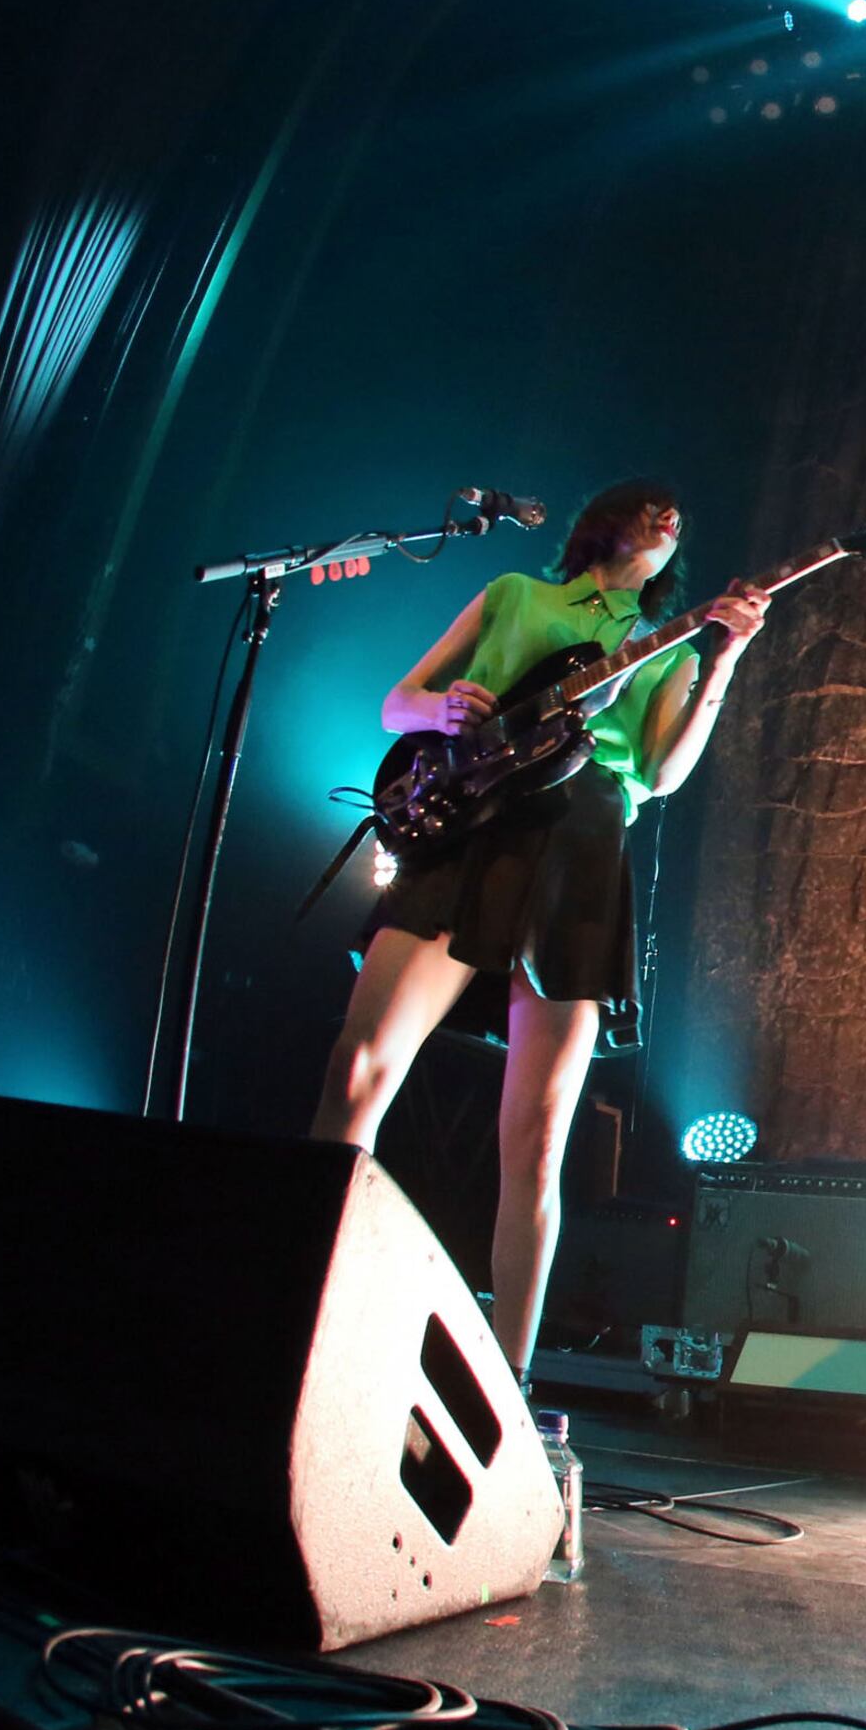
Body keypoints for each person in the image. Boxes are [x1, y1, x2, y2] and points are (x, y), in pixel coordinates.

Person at [313, 482, 767, 1381]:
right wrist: (439, 710)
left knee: (539, 1137)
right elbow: (397, 703)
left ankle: (509, 1386)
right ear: (606, 522)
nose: (671, 518)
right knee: (358, 1068)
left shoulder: (663, 645)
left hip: (586, 840)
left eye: (681, 514)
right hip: (474, 827)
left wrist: (721, 660)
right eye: (651, 506)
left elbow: (666, 774)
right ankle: (306, 1295)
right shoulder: (517, 595)